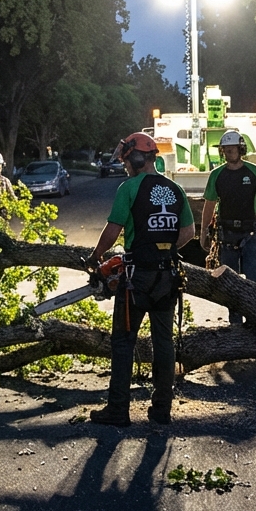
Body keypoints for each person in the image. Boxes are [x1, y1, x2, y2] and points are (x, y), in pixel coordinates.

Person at [87, 132, 195, 427]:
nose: (124, 166)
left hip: (137, 277)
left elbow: (113, 230)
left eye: (125, 161)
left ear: (135, 158)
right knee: (164, 343)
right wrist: (165, 250)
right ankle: (162, 410)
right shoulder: (175, 189)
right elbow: (188, 233)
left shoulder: (129, 188)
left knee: (123, 342)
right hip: (167, 276)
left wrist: (96, 257)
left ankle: (118, 409)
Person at [200, 130, 256, 325]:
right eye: (226, 150)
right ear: (222, 152)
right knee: (230, 284)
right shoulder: (217, 175)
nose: (229, 153)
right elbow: (209, 205)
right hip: (226, 236)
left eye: (233, 149)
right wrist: (204, 232)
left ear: (240, 149)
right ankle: (235, 325)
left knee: (254, 281)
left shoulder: (253, 172)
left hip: (250, 233)